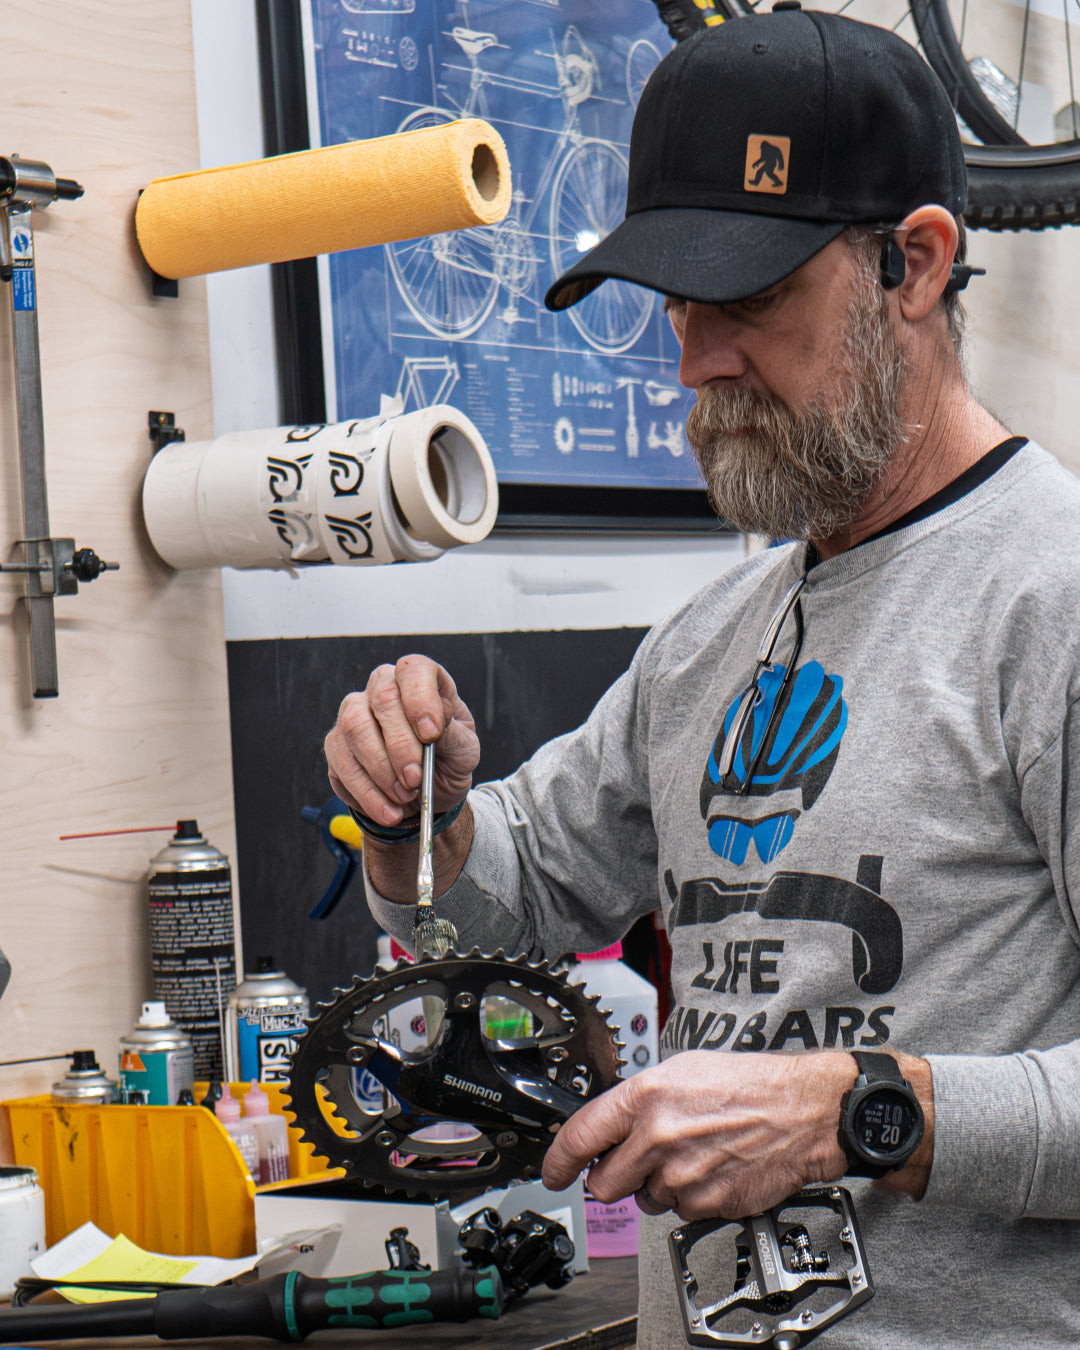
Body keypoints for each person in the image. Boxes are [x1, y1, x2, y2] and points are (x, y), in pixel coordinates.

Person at [325, 9, 1080, 1349]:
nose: (695, 362)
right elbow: (512, 898)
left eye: (746, 300)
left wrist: (853, 1107)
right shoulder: (707, 639)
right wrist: (421, 818)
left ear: (915, 263)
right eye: (674, 306)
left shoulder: (1052, 602)